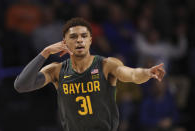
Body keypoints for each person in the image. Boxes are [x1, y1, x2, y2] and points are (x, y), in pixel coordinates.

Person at [14, 17, 165, 131]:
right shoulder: (56, 70)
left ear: (91, 40)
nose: (79, 40)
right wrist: (45, 52)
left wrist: (147, 72)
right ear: (64, 42)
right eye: (73, 37)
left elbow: (131, 74)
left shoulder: (106, 64)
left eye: (84, 36)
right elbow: (21, 85)